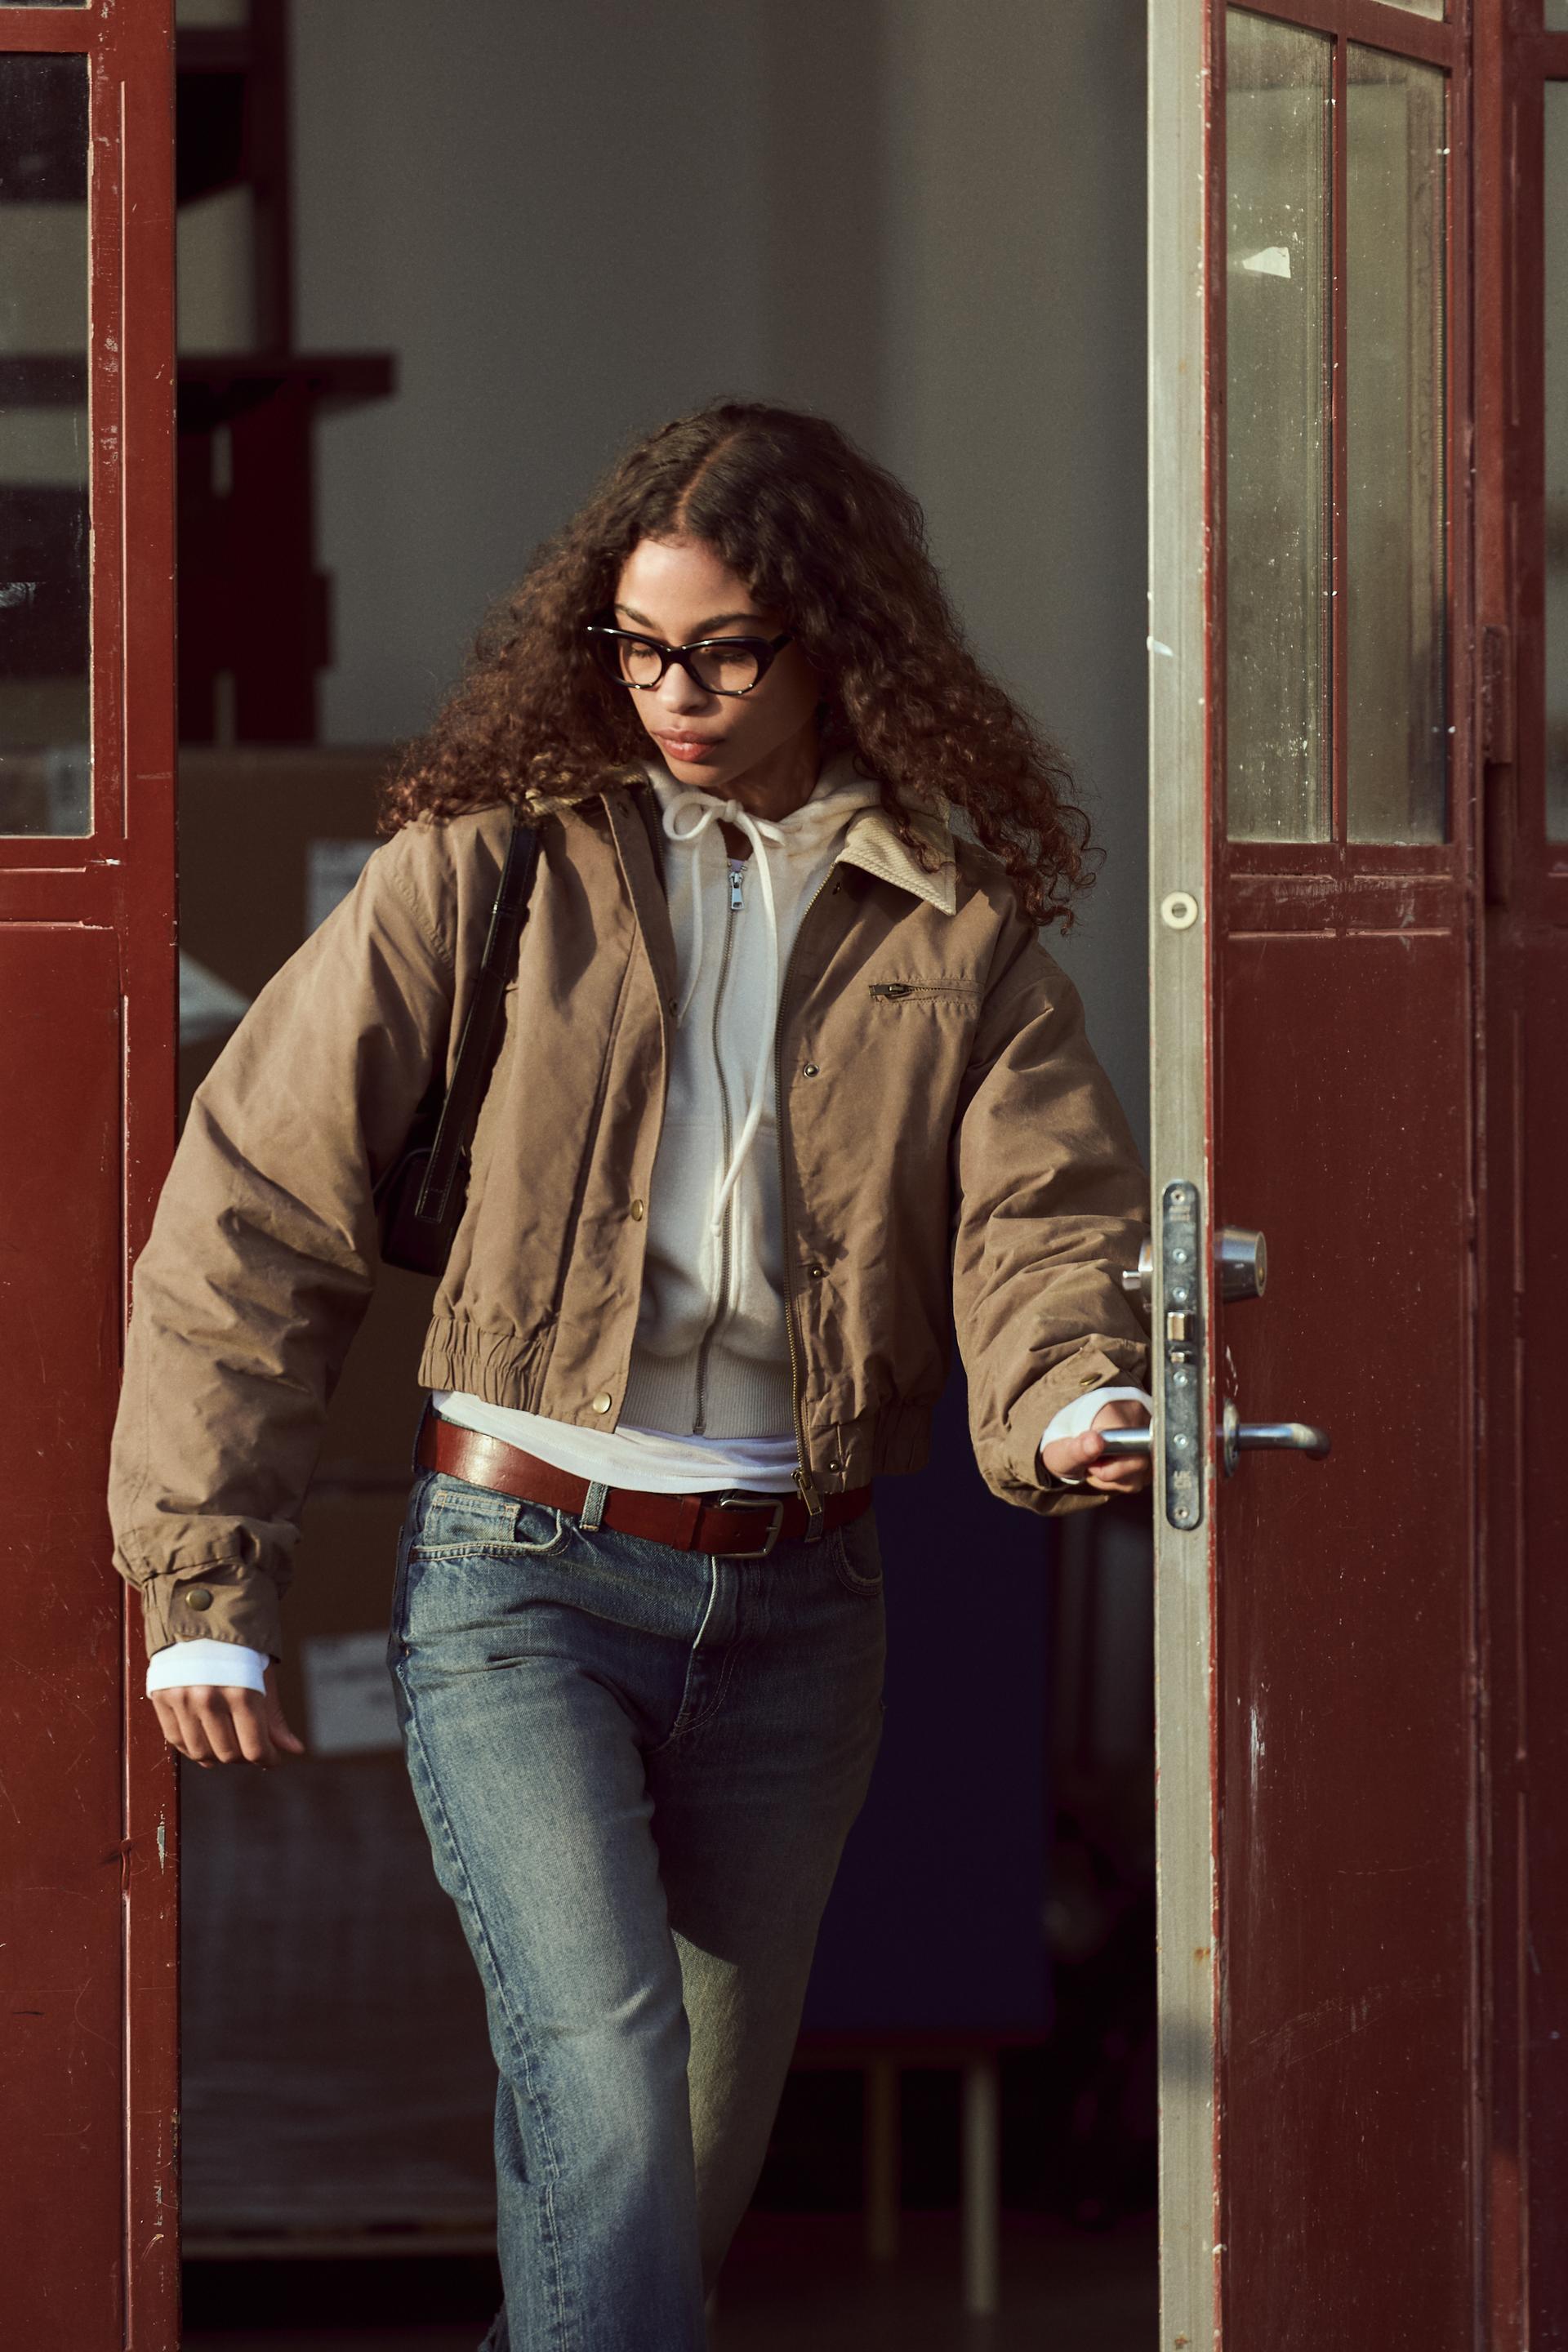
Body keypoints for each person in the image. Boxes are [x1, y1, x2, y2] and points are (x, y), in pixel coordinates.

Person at [109, 400, 1153, 2350]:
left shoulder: (955, 913)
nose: (673, 690)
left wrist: (1071, 1398)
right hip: (521, 1579)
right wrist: (203, 1581)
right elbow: (254, 1193)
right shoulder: (488, 868)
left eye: (724, 650)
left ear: (839, 638)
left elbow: (1044, 1217)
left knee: (677, 2150)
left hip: (796, 1604)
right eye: (639, 646)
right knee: (598, 2076)